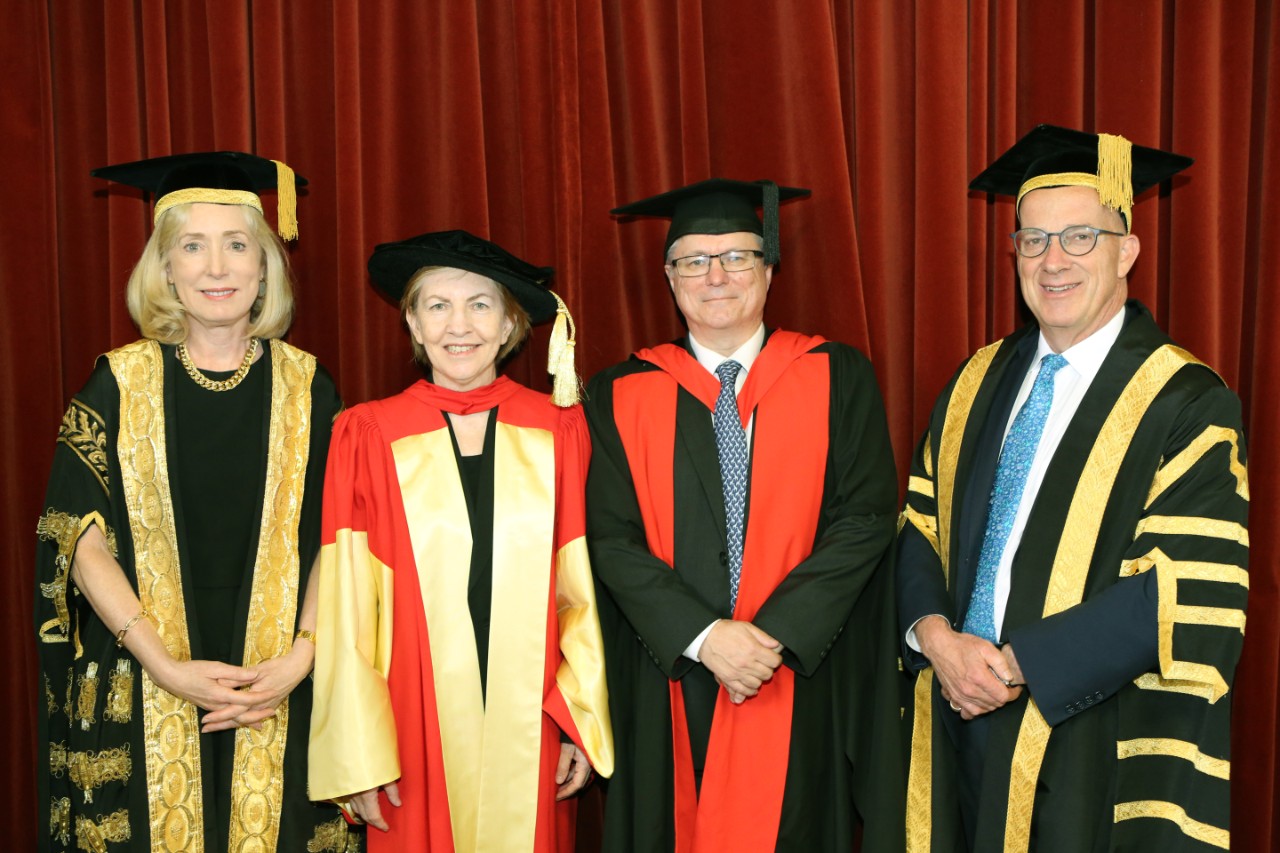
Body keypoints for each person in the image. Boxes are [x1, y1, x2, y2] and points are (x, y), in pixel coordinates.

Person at [896, 125, 1250, 852]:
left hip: (1086, 734)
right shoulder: (976, 380)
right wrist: (936, 639)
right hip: (954, 713)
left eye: (1080, 237)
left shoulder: (1184, 400)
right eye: (1032, 240)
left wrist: (1013, 666)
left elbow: (1183, 587)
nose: (1052, 261)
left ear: (1127, 251)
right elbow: (920, 526)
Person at [34, 152, 354, 852]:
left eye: (237, 245)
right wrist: (165, 665)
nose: (216, 267)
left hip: (276, 685)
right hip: (143, 676)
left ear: (264, 267)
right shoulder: (115, 385)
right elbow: (80, 543)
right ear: (165, 269)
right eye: (192, 246)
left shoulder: (310, 388)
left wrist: (300, 660)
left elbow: (341, 536)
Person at [585, 179, 905, 851]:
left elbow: (867, 517)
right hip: (672, 670)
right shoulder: (619, 391)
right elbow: (610, 538)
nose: (716, 276)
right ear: (669, 278)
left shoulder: (837, 374)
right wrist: (705, 637)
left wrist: (772, 638)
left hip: (796, 669)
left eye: (737, 256)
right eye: (694, 261)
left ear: (768, 269)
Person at [308, 229, 613, 852]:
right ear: (413, 325)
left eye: (480, 304)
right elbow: (348, 603)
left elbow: (580, 589)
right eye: (437, 306)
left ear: (509, 324)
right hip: (408, 724)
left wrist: (577, 718)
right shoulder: (367, 433)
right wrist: (359, 750)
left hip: (533, 719)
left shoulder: (560, 428)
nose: (459, 325)